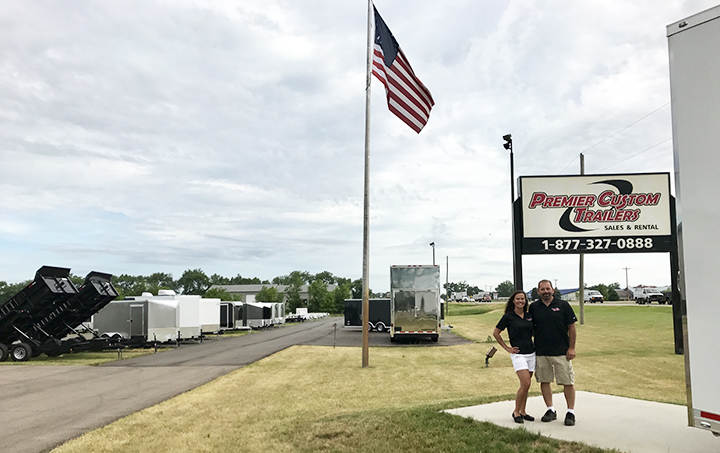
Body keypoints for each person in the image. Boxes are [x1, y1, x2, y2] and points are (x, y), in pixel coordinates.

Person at [529, 279, 578, 426]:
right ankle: (550, 410)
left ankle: (570, 412)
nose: (545, 292)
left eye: (548, 289)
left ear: (553, 289)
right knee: (545, 381)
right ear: (538, 291)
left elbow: (572, 328)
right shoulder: (533, 307)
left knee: (567, 382)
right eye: (542, 289)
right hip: (541, 352)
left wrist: (571, 348)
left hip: (561, 351)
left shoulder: (563, 305)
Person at [493, 290, 535, 424]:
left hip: (531, 353)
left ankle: (523, 411)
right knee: (525, 383)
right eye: (518, 299)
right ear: (513, 301)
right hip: (518, 355)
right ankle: (516, 411)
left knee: (527, 385)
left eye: (522, 299)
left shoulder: (529, 316)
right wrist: (507, 348)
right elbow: (496, 333)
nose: (520, 301)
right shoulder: (508, 317)